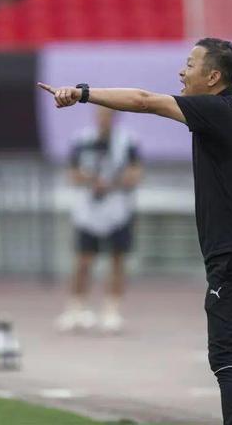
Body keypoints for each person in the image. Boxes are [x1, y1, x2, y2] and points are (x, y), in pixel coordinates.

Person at [38, 38, 232, 425]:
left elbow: (143, 100)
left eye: (190, 64)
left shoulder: (215, 110)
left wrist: (82, 93)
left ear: (213, 77)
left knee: (226, 359)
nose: (181, 72)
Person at [55, 106, 142, 334]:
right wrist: (92, 181)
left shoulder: (127, 141)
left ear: (115, 118)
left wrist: (111, 183)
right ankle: (76, 308)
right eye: (100, 115)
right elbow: (72, 174)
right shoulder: (82, 140)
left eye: (108, 116)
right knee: (83, 261)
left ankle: (112, 311)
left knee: (117, 261)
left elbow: (135, 174)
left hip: (118, 211)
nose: (104, 120)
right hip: (88, 211)